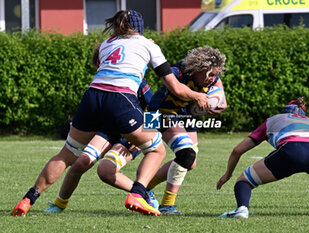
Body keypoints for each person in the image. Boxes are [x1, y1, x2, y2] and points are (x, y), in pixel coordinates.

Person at [11, 9, 208, 217]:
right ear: (141, 27)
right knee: (157, 150)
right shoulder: (148, 45)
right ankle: (138, 193)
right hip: (120, 102)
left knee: (68, 154)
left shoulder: (107, 44)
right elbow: (175, 88)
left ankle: (28, 199)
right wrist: (198, 96)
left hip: (92, 97)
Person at [43, 43, 154, 213]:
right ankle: (59, 204)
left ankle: (143, 194)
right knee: (80, 163)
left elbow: (154, 109)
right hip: (108, 131)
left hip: (130, 134)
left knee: (105, 171)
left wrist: (143, 138)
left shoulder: (135, 80)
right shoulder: (101, 82)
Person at [217, 97, 309, 218]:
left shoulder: (274, 119)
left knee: (244, 180)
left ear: (284, 111)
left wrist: (228, 174)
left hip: (292, 152)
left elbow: (237, 150)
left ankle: (242, 209)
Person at [143, 45, 227, 214]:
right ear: (198, 69)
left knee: (190, 161)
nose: (213, 78)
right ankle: (167, 205)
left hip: (183, 115)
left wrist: (219, 104)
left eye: (215, 74)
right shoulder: (178, 72)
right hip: (160, 112)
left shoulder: (213, 76)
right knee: (186, 154)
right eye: (210, 74)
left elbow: (220, 95)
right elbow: (171, 84)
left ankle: (143, 188)